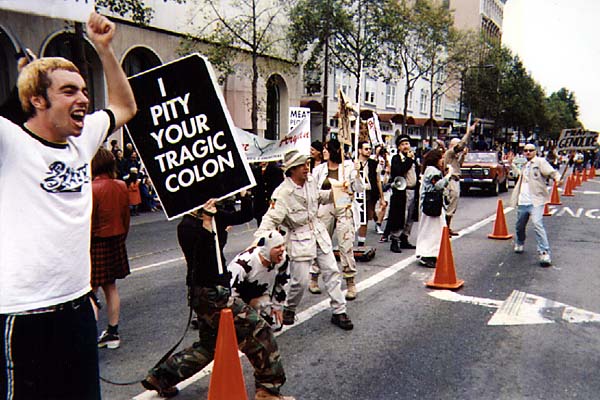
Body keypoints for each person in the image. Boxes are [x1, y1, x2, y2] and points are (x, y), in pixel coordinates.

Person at [0, 12, 136, 400]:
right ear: (37, 101)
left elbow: (125, 108)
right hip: (23, 315)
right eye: (69, 91)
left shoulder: (83, 139)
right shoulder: (9, 141)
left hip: (76, 309)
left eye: (82, 89)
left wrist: (105, 49)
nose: (83, 99)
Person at [142, 200, 294, 400]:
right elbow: (203, 257)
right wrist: (205, 220)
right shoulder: (187, 226)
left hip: (218, 289)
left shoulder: (216, 216)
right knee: (260, 331)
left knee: (209, 346)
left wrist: (245, 192)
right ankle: (268, 390)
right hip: (209, 292)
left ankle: (161, 377)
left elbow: (245, 216)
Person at [255, 149, 354, 330]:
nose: (306, 168)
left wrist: (337, 192)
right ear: (291, 169)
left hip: (318, 232)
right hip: (299, 238)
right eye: (301, 165)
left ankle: (339, 311)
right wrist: (258, 241)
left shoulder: (311, 181)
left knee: (332, 272)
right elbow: (271, 218)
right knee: (300, 282)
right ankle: (290, 308)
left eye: (307, 164)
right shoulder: (282, 193)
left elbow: (320, 197)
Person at [309, 139, 364, 300]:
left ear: (333, 150)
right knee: (320, 243)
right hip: (325, 206)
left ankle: (350, 282)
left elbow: (359, 188)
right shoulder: (319, 169)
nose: (324, 152)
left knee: (346, 245)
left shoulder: (347, 167)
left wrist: (357, 174)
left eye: (326, 149)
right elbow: (314, 192)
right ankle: (313, 277)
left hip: (344, 205)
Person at [90, 147, 131, 349]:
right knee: (111, 287)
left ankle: (88, 336)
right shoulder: (121, 185)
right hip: (116, 239)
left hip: (95, 242)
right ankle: (113, 333)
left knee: (90, 290)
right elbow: (126, 217)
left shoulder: (91, 188)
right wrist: (122, 237)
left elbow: (88, 222)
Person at [510, 143, 562, 266]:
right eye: (526, 150)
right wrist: (511, 164)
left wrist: (558, 179)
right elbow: (519, 175)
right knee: (519, 225)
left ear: (535, 151)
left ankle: (544, 252)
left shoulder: (540, 162)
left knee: (538, 224)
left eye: (531, 150)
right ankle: (520, 241)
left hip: (536, 200)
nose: (528, 152)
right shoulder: (524, 165)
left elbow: (552, 172)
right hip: (523, 201)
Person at [228, 230, 290, 330]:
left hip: (262, 298)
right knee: (249, 329)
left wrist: (277, 306)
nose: (282, 249)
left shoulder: (283, 259)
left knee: (276, 325)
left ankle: (260, 315)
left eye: (283, 245)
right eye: (278, 247)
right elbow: (230, 296)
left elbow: (282, 282)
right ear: (267, 249)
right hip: (241, 302)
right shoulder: (242, 265)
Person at [415, 149, 452, 268]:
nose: (443, 161)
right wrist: (449, 175)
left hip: (432, 204)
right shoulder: (432, 171)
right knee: (432, 230)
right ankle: (427, 254)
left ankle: (431, 253)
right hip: (432, 205)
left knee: (434, 229)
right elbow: (438, 185)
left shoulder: (430, 170)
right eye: (441, 158)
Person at [443, 119, 479, 236]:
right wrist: (468, 133)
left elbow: (458, 165)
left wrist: (463, 156)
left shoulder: (455, 156)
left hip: (456, 179)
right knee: (449, 205)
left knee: (453, 206)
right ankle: (445, 229)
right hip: (451, 180)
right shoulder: (449, 153)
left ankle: (448, 228)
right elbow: (461, 145)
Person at [382, 134, 418, 253]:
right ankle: (395, 240)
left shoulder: (412, 158)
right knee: (400, 216)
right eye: (402, 144)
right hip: (402, 191)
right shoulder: (396, 158)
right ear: (398, 147)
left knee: (410, 217)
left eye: (407, 144)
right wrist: (409, 159)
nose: (405, 146)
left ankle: (405, 238)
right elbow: (399, 170)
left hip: (413, 190)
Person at [355, 140, 385, 246]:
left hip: (368, 194)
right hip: (353, 194)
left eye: (369, 149)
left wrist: (382, 198)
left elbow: (378, 181)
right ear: (359, 150)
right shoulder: (352, 163)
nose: (368, 151)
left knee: (365, 217)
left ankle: (361, 242)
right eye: (366, 149)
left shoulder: (374, 164)